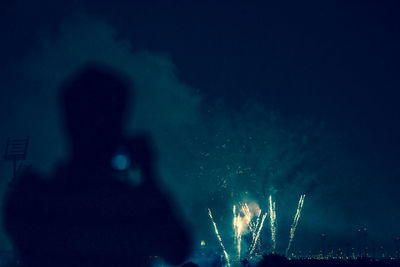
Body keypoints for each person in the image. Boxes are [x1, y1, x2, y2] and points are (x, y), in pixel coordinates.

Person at [4, 64, 191, 267]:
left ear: (68, 122)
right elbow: (177, 249)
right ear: (119, 128)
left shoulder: (31, 198)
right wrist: (149, 174)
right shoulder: (132, 206)